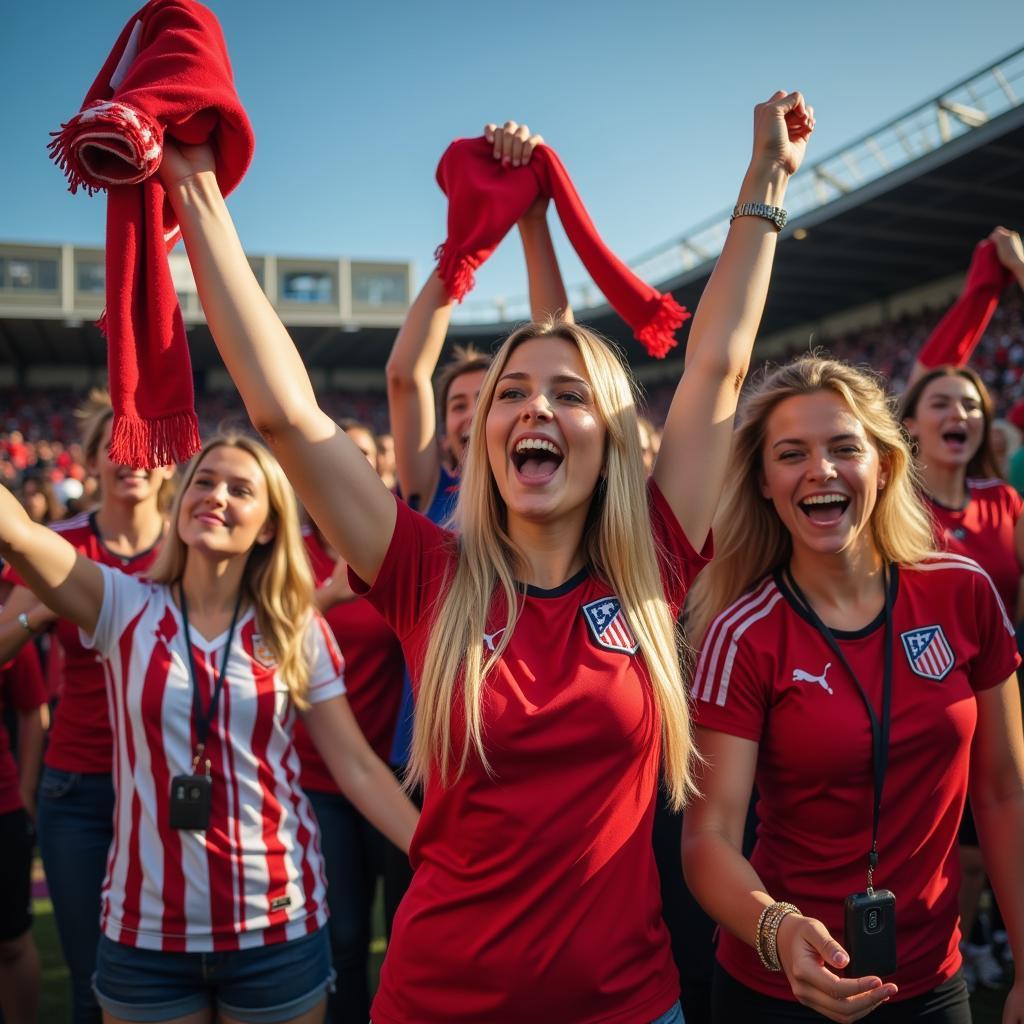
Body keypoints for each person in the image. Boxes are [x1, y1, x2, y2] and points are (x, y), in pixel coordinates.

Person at [157, 87, 813, 1023]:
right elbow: (285, 414)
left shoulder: (655, 561)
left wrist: (765, 180)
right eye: (512, 391)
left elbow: (719, 364)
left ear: (614, 437)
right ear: (483, 434)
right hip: (436, 1002)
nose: (536, 407)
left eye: (568, 394)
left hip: (627, 1006)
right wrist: (197, 191)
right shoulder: (429, 574)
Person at [0, 432, 418, 1024]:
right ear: (179, 503)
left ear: (269, 526)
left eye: (240, 489)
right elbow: (15, 533)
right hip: (144, 932)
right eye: (203, 481)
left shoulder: (295, 627)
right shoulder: (120, 603)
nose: (216, 495)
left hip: (277, 924)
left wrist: (437, 853)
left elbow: (354, 766)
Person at [682, 357, 1024, 1023]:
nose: (821, 470)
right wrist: (778, 932)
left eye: (844, 447)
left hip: (931, 978)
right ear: (762, 481)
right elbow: (709, 838)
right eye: (792, 454)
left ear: (886, 465)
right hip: (779, 990)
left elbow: (1005, 789)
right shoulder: (741, 633)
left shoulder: (964, 592)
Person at [380, 119, 574, 927]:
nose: (468, 414)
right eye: (457, 402)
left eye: (483, 399)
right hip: (435, 756)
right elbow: (402, 372)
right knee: (435, 931)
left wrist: (531, 216)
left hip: (550, 745)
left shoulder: (553, 485)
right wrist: (461, 254)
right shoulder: (433, 492)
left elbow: (560, 342)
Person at [0, 390, 174, 1024]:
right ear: (92, 461)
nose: (130, 461)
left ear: (167, 465)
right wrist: (45, 607)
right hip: (79, 786)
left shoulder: (191, 547)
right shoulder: (59, 543)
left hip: (166, 789)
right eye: (114, 448)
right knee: (89, 978)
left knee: (166, 975)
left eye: (143, 449)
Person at [291, 419, 405, 1024]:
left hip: (395, 772)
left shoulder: (401, 547)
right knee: (344, 937)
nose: (348, 463)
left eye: (362, 453)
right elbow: (256, 636)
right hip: (318, 782)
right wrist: (327, 598)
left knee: (405, 934)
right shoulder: (290, 549)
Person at [0, 643, 46, 1024]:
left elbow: (32, 708)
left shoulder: (7, 621)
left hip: (3, 807)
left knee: (11, 943)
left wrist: (26, 790)